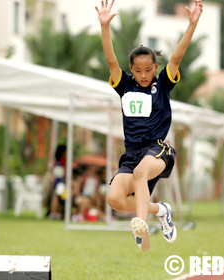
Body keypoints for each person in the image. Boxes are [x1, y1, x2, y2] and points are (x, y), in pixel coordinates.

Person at [95, 0, 203, 251]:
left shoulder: (163, 84)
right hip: (131, 153)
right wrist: (104, 26)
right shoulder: (125, 85)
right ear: (132, 70)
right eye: (138, 70)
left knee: (140, 174)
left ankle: (140, 226)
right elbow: (111, 61)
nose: (144, 75)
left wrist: (192, 25)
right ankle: (160, 210)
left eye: (148, 70)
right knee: (114, 199)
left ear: (156, 68)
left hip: (157, 150)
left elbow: (177, 55)